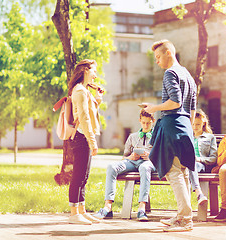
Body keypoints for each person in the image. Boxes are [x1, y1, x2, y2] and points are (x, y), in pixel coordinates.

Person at [143, 39, 197, 232]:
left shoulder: (170, 72)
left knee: (173, 173)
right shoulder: (189, 76)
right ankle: (182, 215)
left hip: (172, 126)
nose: (157, 61)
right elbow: (192, 109)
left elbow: (175, 102)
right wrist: (187, 131)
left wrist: (154, 108)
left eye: (158, 57)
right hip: (185, 128)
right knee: (181, 172)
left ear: (168, 53)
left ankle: (185, 219)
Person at [93, 109, 156, 221]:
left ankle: (141, 209)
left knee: (144, 167)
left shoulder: (157, 136)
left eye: (148, 123)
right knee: (111, 167)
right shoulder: (133, 136)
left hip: (148, 163)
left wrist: (151, 156)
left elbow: (162, 156)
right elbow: (124, 157)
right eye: (143, 122)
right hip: (132, 162)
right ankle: (108, 207)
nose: (145, 126)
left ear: (153, 121)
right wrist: (130, 157)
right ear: (139, 121)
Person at [68, 59, 104, 225]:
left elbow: (91, 110)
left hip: (84, 137)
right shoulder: (80, 91)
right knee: (78, 176)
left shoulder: (85, 90)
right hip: (81, 138)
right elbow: (84, 117)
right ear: (85, 71)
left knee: (84, 177)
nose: (96, 75)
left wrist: (98, 98)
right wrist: (92, 141)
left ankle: (82, 210)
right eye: (93, 71)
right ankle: (74, 213)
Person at [189, 109, 217, 205]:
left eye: (198, 124)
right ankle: (197, 196)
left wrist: (199, 159)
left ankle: (198, 192)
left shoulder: (210, 137)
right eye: (193, 124)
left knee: (192, 164)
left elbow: (213, 159)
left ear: (203, 124)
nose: (195, 127)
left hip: (201, 166)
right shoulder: (187, 137)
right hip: (186, 165)